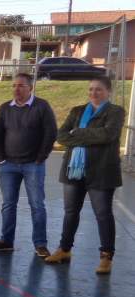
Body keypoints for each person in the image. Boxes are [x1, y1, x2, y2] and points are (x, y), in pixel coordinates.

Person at [46, 76, 126, 275]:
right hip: (74, 170)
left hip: (102, 171)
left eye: (98, 90)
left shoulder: (115, 112)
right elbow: (61, 136)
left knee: (103, 214)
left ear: (108, 92)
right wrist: (86, 135)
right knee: (70, 212)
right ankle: (64, 249)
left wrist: (78, 133)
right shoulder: (77, 111)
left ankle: (106, 256)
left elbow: (108, 135)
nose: (93, 93)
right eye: (91, 89)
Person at [0, 73, 57, 257]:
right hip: (8, 165)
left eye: (21, 86)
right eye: (14, 86)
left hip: (33, 165)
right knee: (8, 204)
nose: (16, 89)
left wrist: (41, 157)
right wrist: (1, 157)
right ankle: (6, 240)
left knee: (37, 205)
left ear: (30, 88)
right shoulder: (5, 109)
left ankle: (40, 244)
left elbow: (51, 132)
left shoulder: (42, 107)